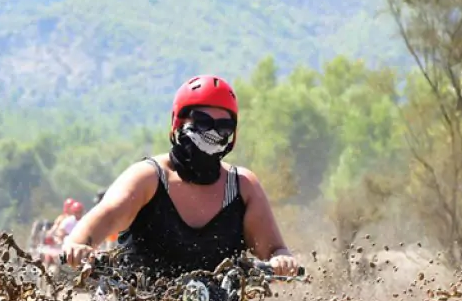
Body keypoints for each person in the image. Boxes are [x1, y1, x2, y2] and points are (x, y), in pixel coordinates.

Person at [62, 75, 298, 277]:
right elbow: (109, 214)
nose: (213, 133)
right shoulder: (148, 177)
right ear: (178, 123)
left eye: (223, 126)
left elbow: (274, 249)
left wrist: (281, 259)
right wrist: (78, 244)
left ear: (233, 135)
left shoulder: (243, 187)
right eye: (203, 122)